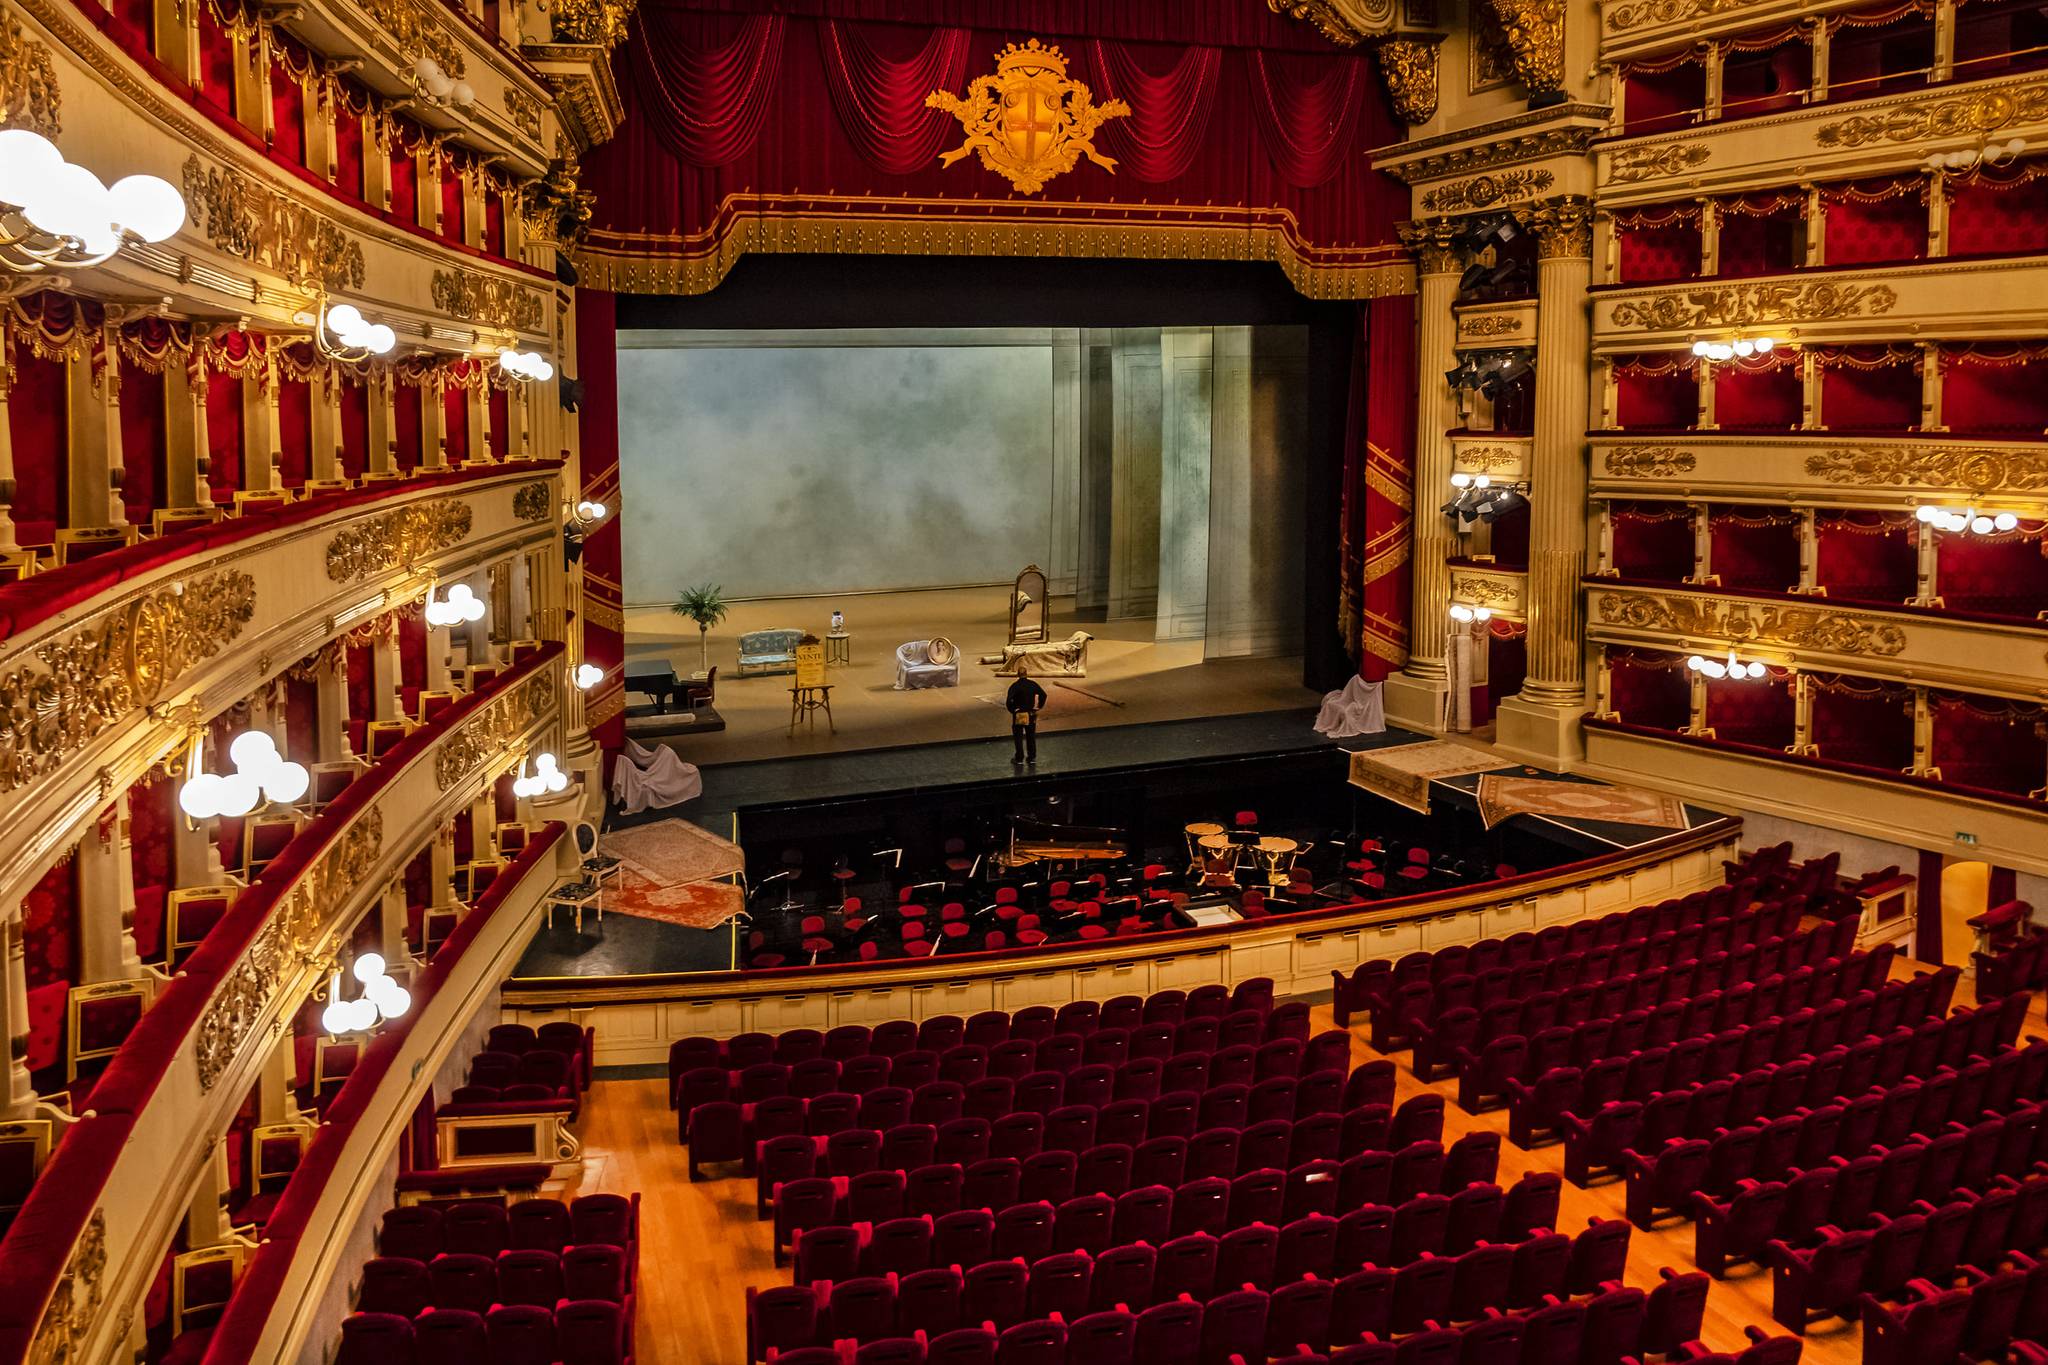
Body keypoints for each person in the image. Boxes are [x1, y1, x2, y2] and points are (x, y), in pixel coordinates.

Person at [1006, 661, 1047, 764]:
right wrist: (1039, 706)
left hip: (1019, 714)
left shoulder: (1015, 686)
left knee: (1018, 737)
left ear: (1018, 675)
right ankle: (1031, 757)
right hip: (1030, 713)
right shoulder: (1032, 684)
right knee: (1031, 736)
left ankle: (1019, 758)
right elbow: (1043, 695)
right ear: (1026, 674)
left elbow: (1008, 700)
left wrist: (1013, 710)